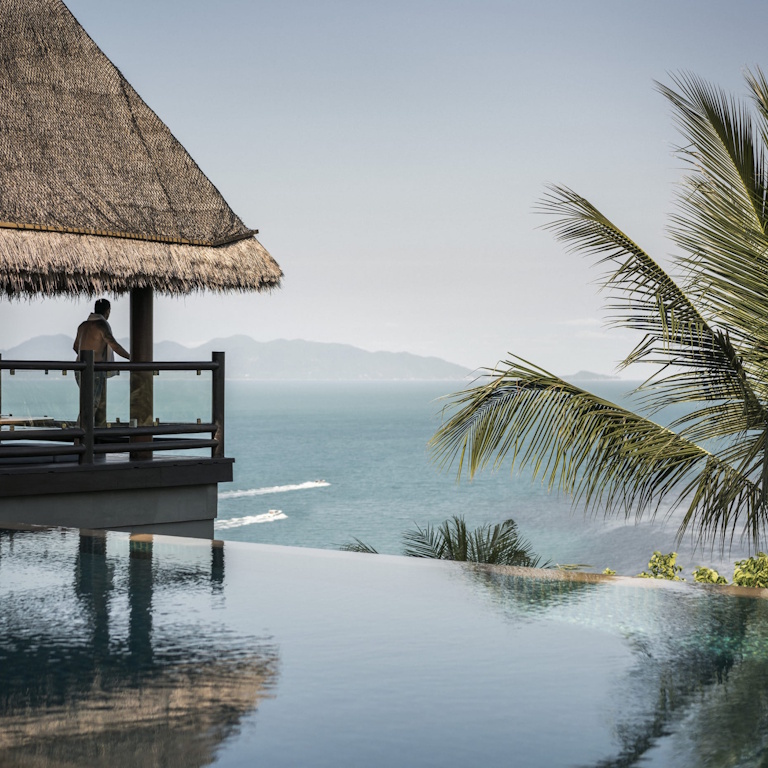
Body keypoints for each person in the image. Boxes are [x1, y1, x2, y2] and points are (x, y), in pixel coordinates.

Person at [73, 299, 130, 426]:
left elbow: (75, 347)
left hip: (79, 368)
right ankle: (81, 433)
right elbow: (113, 344)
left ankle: (88, 432)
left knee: (89, 402)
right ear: (107, 311)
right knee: (91, 404)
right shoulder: (102, 325)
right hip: (95, 369)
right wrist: (131, 357)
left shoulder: (83, 326)